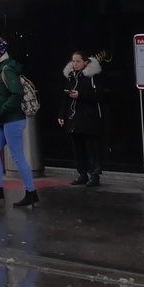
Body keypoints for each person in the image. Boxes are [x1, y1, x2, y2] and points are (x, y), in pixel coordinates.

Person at [0, 37, 38, 208]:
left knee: (18, 157)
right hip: (2, 120)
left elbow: (17, 93)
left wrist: (3, 109)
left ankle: (31, 192)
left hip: (12, 119)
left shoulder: (7, 69)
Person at [57, 51, 107, 186]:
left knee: (91, 147)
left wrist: (81, 95)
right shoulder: (71, 76)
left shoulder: (93, 76)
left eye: (78, 61)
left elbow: (100, 95)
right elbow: (65, 98)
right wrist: (61, 114)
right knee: (77, 148)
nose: (75, 64)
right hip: (73, 117)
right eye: (73, 61)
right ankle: (82, 174)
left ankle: (94, 175)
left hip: (89, 117)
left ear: (85, 62)